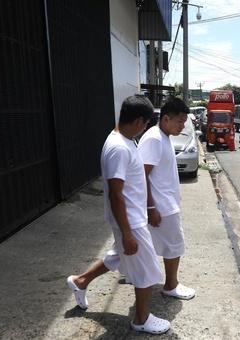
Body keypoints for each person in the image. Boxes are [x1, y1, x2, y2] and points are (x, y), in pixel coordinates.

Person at [67, 95, 170, 335]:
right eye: (145, 124)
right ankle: (141, 319)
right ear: (138, 121)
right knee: (146, 272)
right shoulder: (118, 148)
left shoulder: (125, 139)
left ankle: (79, 281)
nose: (145, 128)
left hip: (133, 218)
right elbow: (115, 194)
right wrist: (127, 234)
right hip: (130, 222)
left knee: (116, 257)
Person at [137, 98, 196, 300]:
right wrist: (151, 207)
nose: (182, 126)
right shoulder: (154, 138)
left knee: (126, 250)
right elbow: (141, 175)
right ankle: (171, 285)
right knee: (173, 246)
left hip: (164, 202)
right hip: (162, 206)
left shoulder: (163, 136)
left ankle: (81, 280)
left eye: (184, 121)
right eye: (179, 121)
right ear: (166, 118)